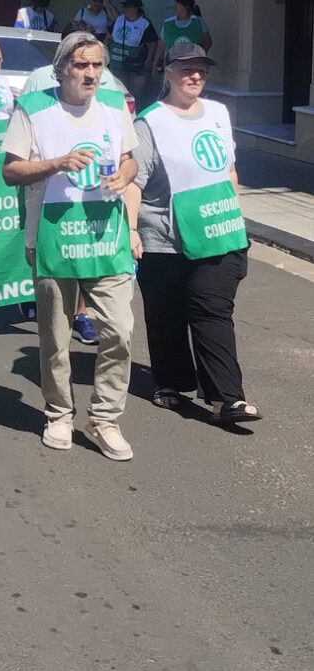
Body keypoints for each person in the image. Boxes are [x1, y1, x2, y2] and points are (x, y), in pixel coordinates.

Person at [2, 30, 139, 460]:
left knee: (120, 330)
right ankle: (59, 413)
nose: (91, 74)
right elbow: (11, 171)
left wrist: (126, 174)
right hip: (52, 237)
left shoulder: (116, 107)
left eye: (97, 65)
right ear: (62, 69)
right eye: (81, 65)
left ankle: (104, 419)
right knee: (56, 336)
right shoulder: (34, 108)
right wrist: (57, 163)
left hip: (107, 237)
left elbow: (129, 159)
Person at [127, 40, 260, 424]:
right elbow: (135, 182)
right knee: (166, 313)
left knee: (211, 308)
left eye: (201, 68)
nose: (195, 75)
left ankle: (227, 398)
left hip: (217, 232)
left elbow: (229, 170)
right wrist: (132, 229)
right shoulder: (150, 121)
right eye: (186, 69)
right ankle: (170, 381)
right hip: (165, 237)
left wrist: (233, 210)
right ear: (167, 73)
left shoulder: (219, 113)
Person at [108, 0, 157, 105]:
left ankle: (135, 110)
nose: (127, 11)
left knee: (136, 91)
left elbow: (153, 43)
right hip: (118, 61)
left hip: (136, 62)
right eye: (126, 8)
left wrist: (149, 60)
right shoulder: (119, 19)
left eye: (130, 8)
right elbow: (109, 36)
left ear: (137, 9)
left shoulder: (145, 23)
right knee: (120, 88)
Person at [154, 0, 212, 70]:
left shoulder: (198, 21)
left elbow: (208, 41)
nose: (175, 7)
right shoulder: (168, 23)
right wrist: (155, 64)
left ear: (187, 6)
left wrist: (201, 56)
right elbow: (161, 46)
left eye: (177, 4)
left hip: (192, 65)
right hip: (172, 65)